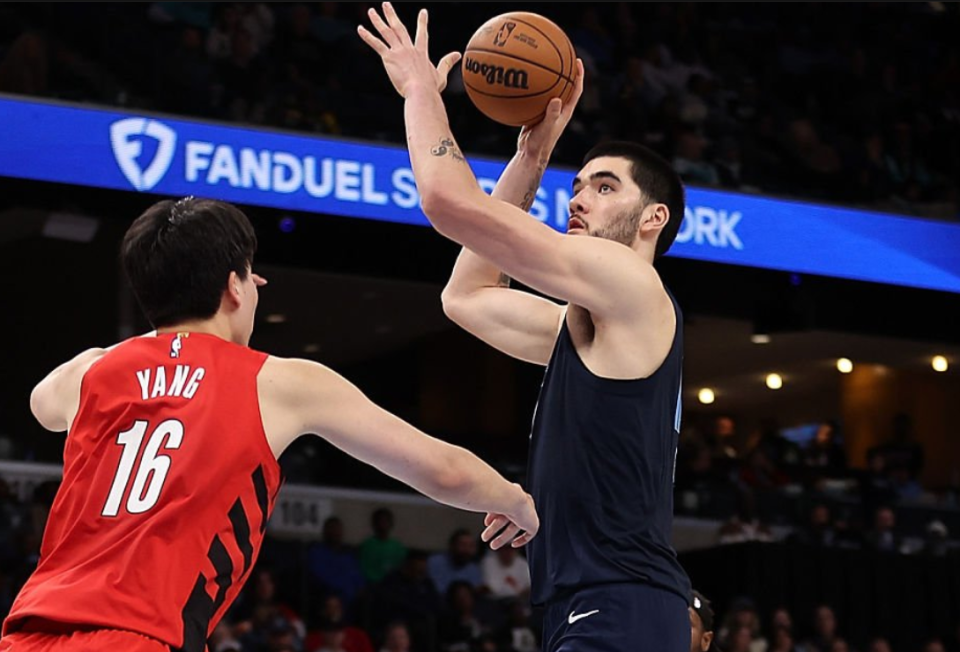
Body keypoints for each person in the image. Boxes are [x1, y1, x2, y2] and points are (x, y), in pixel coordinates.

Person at [0, 197, 538, 652]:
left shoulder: (94, 372)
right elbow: (441, 470)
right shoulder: (276, 381)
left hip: (28, 632)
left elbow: (40, 404)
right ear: (236, 288)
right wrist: (516, 500)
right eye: (249, 275)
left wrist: (158, 327)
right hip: (138, 637)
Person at [359, 5, 691, 650]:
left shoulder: (633, 283)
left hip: (620, 599)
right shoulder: (593, 329)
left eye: (605, 188)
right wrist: (533, 155)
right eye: (579, 185)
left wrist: (422, 92)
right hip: (590, 600)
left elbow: (446, 201)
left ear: (653, 218)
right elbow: (467, 296)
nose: (579, 198)